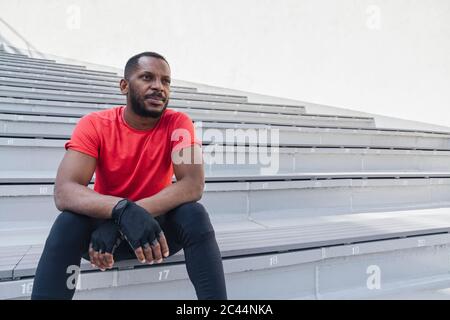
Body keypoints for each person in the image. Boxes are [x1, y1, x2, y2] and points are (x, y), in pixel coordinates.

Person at [31, 51, 227, 300]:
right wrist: (119, 211)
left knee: (193, 214)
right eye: (147, 77)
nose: (158, 87)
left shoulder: (178, 123)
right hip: (103, 241)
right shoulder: (94, 124)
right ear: (124, 85)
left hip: (155, 234)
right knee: (68, 223)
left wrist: (126, 217)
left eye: (165, 81)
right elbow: (65, 190)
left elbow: (192, 184)